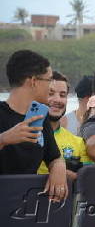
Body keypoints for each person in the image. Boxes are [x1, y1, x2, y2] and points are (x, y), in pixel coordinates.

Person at [0, 50, 67, 202]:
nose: (51, 87)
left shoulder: (41, 118)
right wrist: (4, 139)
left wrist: (58, 167)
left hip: (25, 204)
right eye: (49, 80)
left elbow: (54, 157)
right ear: (33, 81)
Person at [38, 71, 93, 180]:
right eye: (50, 93)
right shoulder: (21, 135)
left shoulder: (77, 142)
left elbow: (90, 178)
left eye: (62, 95)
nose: (57, 99)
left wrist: (71, 176)